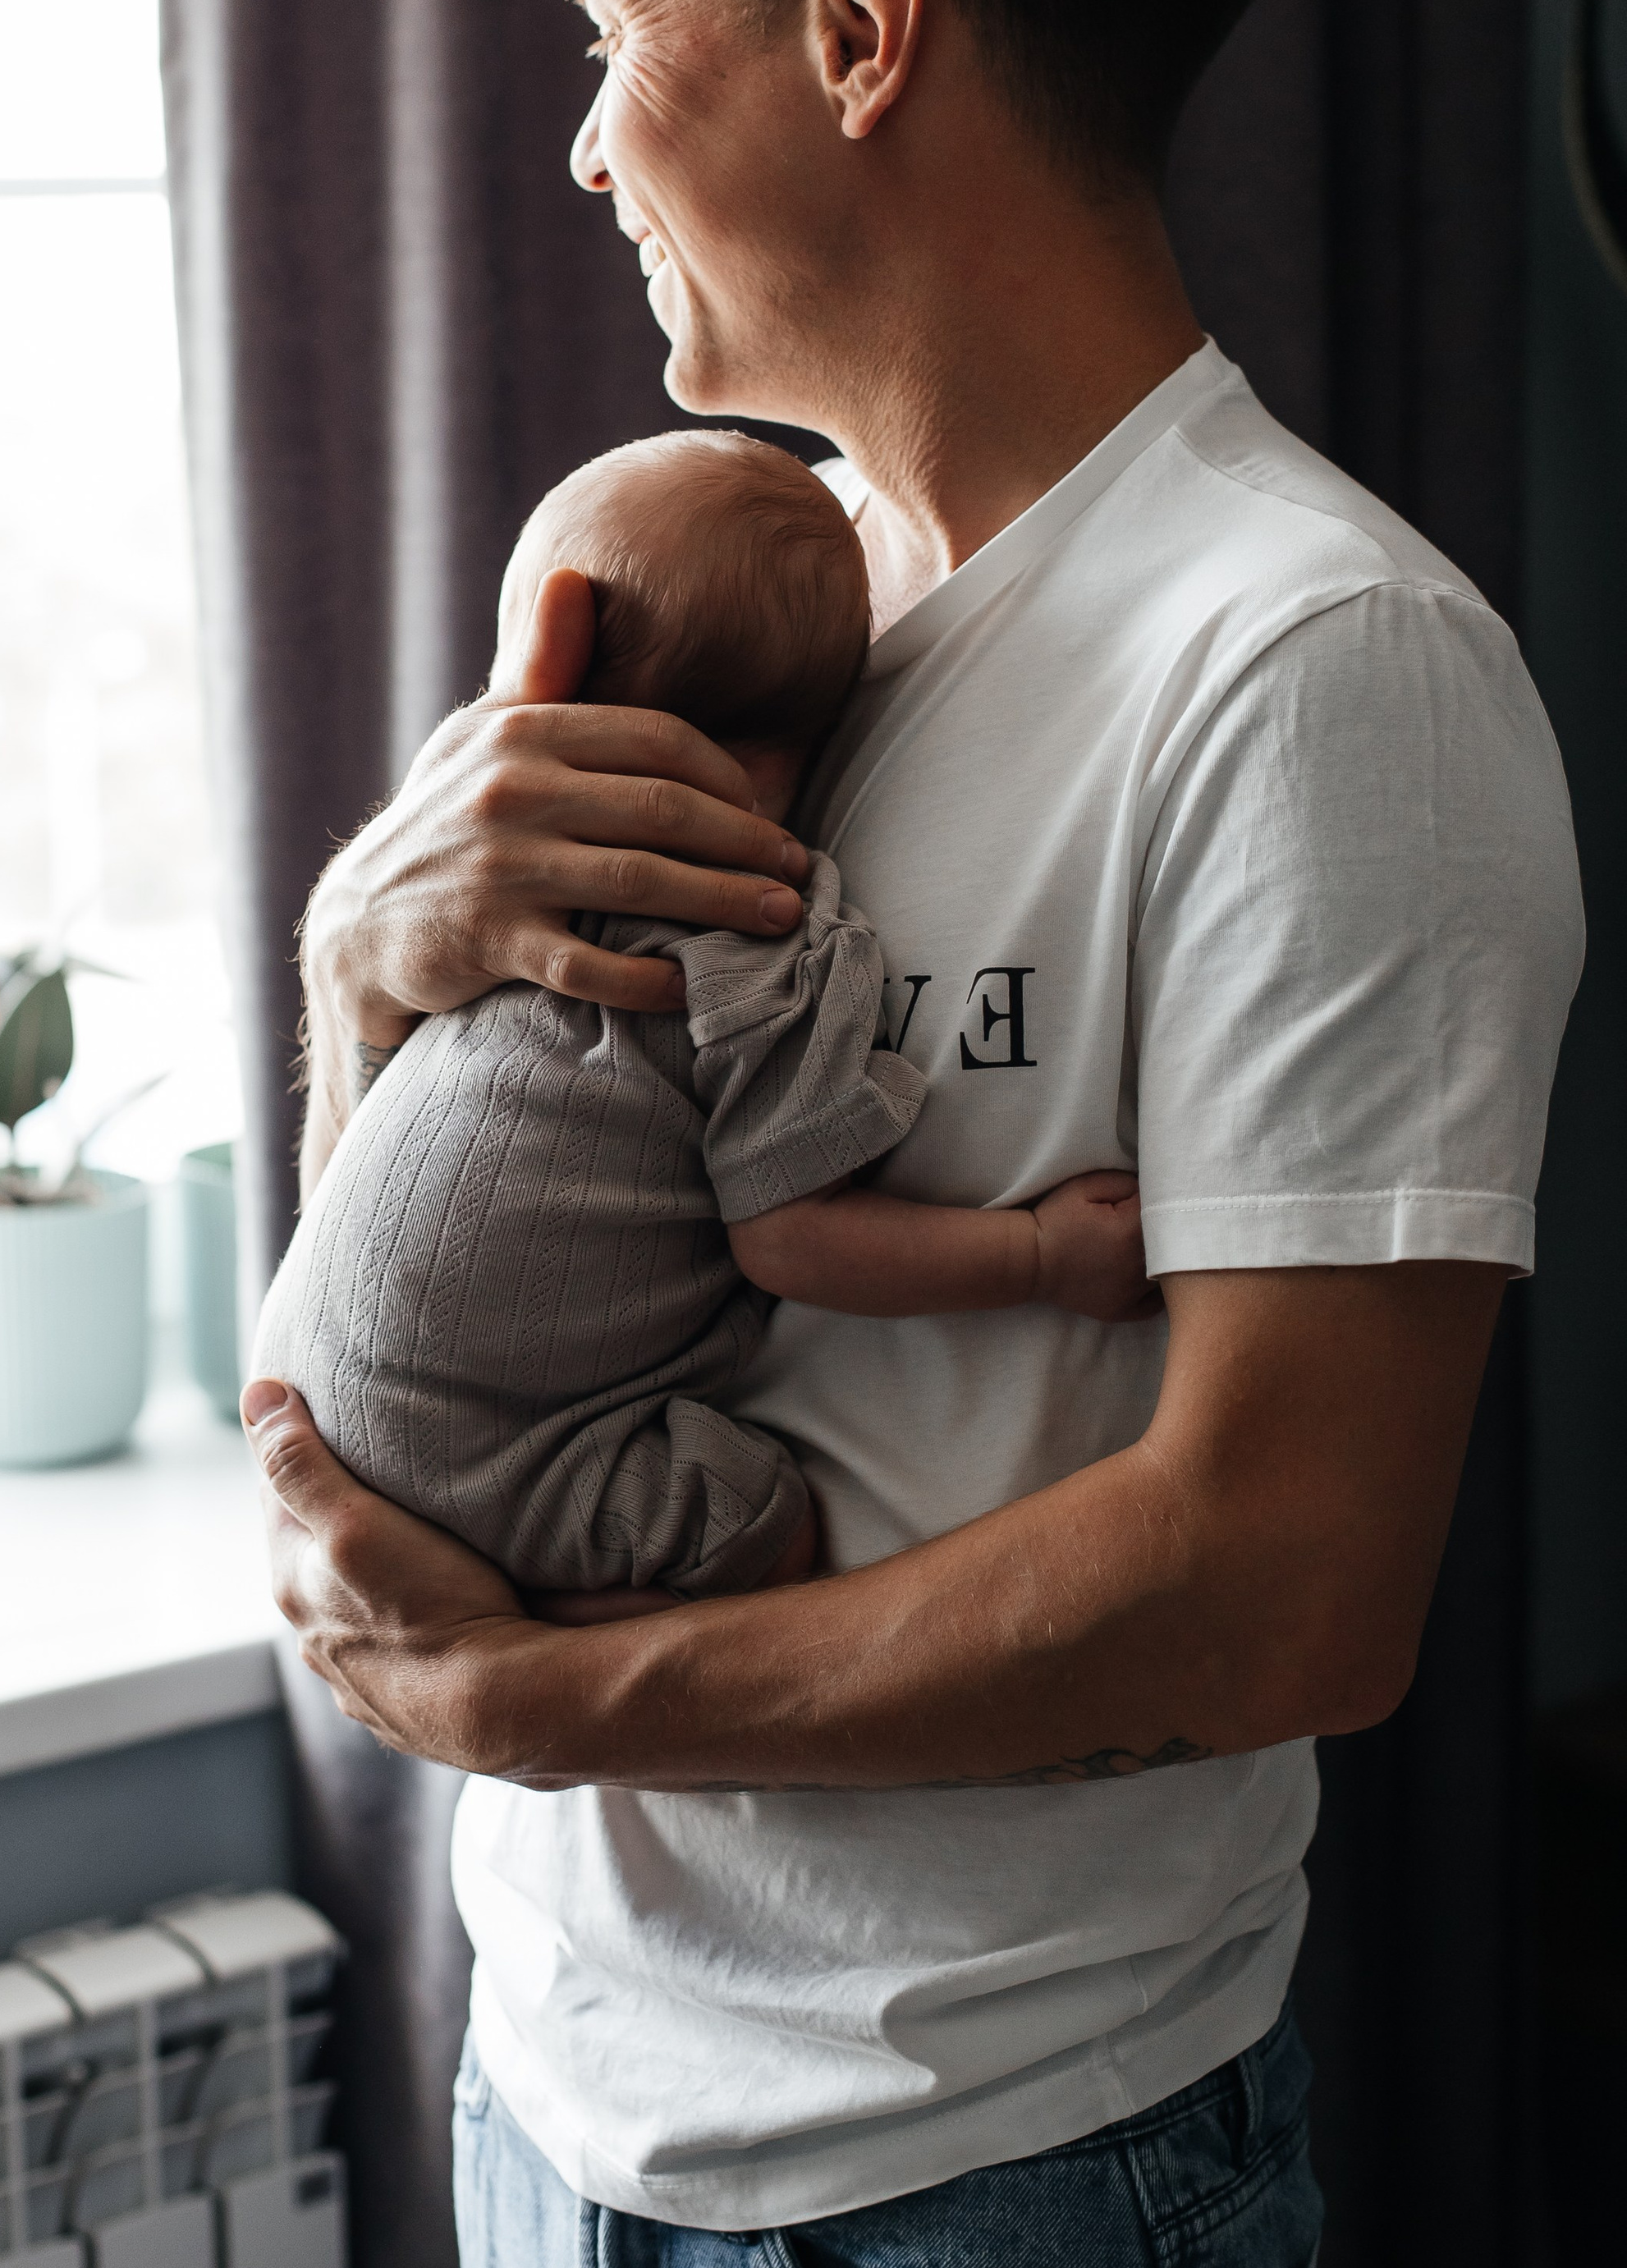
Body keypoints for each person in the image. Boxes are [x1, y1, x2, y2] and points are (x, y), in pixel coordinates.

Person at [241, 0, 1584, 2268]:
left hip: (992, 2243)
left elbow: (1292, 1587)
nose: (584, 146)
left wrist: (553, 1703)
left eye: (623, 33)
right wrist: (372, 980)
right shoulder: (739, 618)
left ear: (861, 26)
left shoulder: (1315, 667)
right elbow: (489, 1259)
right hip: (562, 2135)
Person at [250, 428, 1153, 1614]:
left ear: (549, 639)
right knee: (768, 1530)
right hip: (515, 1456)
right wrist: (1044, 1256)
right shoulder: (762, 939)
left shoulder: (491, 890)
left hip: (314, 1387)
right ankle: (568, 1621)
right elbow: (791, 1240)